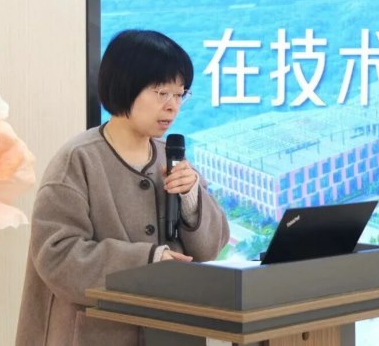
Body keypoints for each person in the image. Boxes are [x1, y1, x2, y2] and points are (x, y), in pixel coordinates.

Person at [15, 29, 230, 346]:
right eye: (162, 93)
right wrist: (148, 261)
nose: (173, 106)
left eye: (180, 94)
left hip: (169, 333)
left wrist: (192, 198)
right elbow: (57, 256)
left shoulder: (173, 159)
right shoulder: (78, 160)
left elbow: (210, 249)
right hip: (92, 335)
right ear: (125, 86)